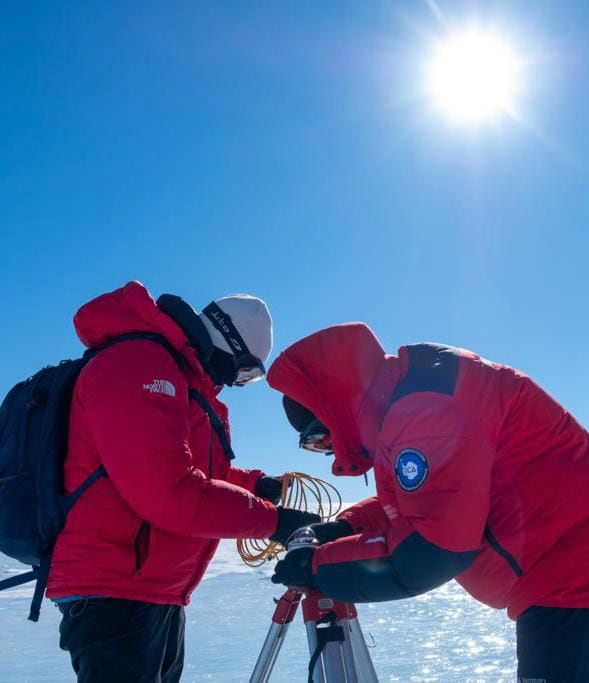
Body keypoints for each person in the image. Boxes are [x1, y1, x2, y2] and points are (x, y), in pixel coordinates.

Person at [266, 322, 589, 683]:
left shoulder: (425, 409)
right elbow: (425, 496)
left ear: (333, 408)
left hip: (572, 583)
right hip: (564, 582)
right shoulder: (405, 405)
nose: (327, 452)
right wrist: (345, 527)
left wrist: (317, 566)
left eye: (319, 440)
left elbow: (434, 549)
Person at [46, 281, 319, 683]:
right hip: (115, 589)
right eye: (247, 371)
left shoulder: (180, 380)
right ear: (228, 343)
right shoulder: (140, 365)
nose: (239, 383)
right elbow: (169, 492)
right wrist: (274, 521)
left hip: (151, 589)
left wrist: (255, 485)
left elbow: (195, 476)